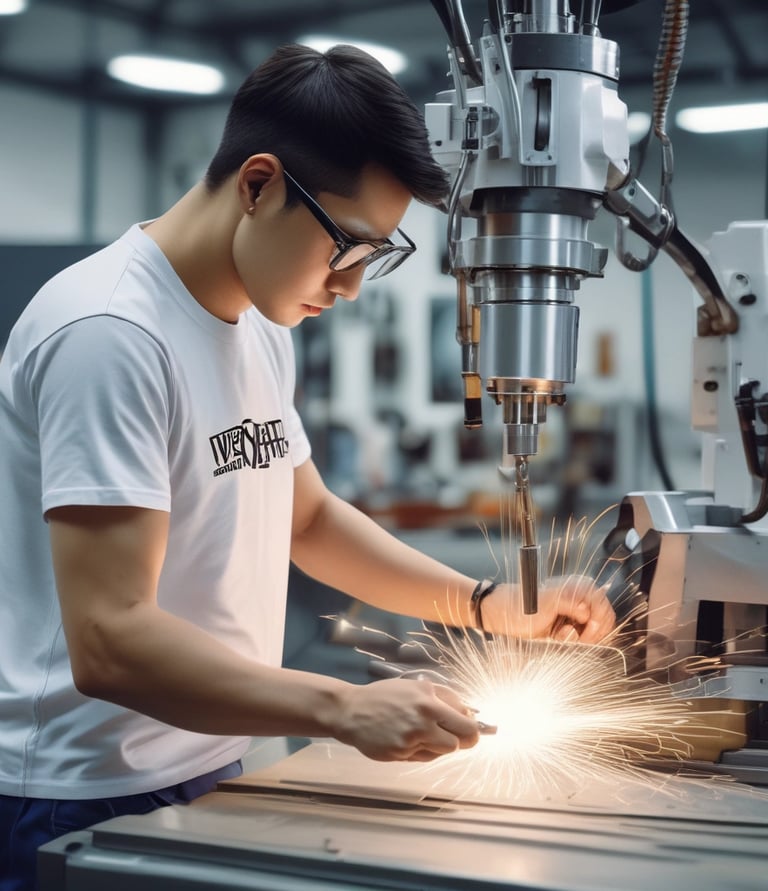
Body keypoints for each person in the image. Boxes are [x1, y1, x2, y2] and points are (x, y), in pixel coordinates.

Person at [0, 43, 615, 890]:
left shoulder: (259, 326)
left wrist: (485, 604)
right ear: (258, 185)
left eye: (375, 255)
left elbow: (309, 519)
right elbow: (110, 639)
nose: (351, 285)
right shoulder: (109, 334)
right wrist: (342, 705)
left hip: (210, 757)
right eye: (346, 246)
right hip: (82, 792)